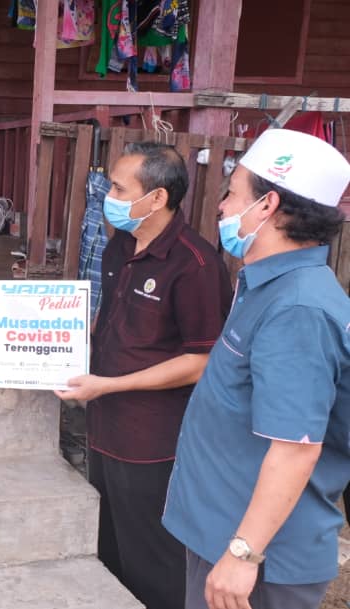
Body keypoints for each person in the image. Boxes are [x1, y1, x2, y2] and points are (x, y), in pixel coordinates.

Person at [162, 128, 350, 609]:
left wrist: (243, 555)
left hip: (259, 560)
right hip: (223, 532)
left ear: (266, 206)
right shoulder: (269, 285)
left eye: (231, 192)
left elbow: (296, 451)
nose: (221, 206)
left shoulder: (298, 310)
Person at [53, 142, 232, 609]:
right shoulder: (121, 244)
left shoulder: (195, 266)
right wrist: (55, 346)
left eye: (117, 187)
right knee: (110, 550)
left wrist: (109, 386)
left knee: (153, 561)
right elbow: (108, 320)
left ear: (156, 199)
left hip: (153, 443)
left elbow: (201, 361)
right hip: (104, 428)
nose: (106, 195)